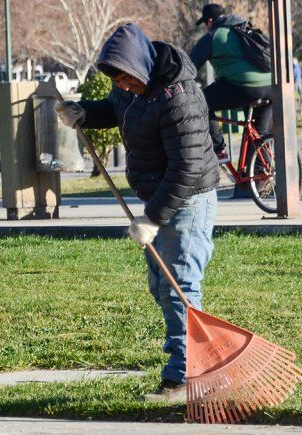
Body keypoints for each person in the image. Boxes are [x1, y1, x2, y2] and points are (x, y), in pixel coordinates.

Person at [55, 23, 219, 402]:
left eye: (128, 80)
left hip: (189, 198)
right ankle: (193, 363)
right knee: (161, 286)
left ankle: (184, 377)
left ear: (141, 65)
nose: (124, 87)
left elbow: (187, 167)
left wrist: (153, 218)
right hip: (160, 196)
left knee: (179, 286)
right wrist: (84, 113)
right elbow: (119, 109)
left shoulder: (179, 96)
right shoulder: (129, 85)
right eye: (119, 82)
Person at [189, 3, 273, 162]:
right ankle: (259, 171)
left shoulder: (213, 36)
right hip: (271, 87)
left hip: (245, 86)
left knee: (200, 102)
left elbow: (189, 67)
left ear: (210, 21)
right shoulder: (245, 27)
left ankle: (219, 149)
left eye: (205, 23)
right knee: (258, 136)